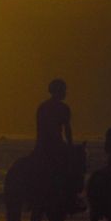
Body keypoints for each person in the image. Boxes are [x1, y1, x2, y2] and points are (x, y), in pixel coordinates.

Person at [34, 78, 85, 213]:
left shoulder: (42, 106)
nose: (65, 93)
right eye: (64, 90)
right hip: (55, 145)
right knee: (73, 169)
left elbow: (40, 129)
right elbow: (67, 130)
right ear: (59, 91)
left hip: (40, 145)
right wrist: (70, 146)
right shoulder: (63, 108)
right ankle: (72, 198)